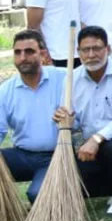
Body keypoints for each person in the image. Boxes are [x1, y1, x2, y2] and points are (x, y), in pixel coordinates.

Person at [60, 26, 112, 215]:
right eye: (85, 50)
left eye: (97, 48)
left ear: (107, 49)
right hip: (91, 146)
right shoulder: (71, 80)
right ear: (78, 52)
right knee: (85, 183)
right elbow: (74, 123)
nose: (91, 55)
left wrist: (98, 138)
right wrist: (65, 120)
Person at [0, 30, 68, 203]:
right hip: (21, 156)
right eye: (18, 52)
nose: (22, 57)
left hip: (56, 156)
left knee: (37, 196)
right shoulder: (5, 90)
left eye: (29, 51)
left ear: (43, 54)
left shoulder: (64, 78)